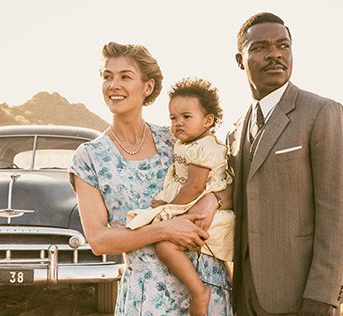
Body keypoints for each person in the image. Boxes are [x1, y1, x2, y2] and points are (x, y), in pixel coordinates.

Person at [69, 42, 232, 315]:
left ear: (148, 87)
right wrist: (165, 230)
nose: (113, 85)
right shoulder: (89, 157)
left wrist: (212, 201)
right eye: (107, 76)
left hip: (206, 288)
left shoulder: (178, 141)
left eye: (125, 76)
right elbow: (99, 240)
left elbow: (229, 186)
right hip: (146, 296)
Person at [226, 12, 343, 315]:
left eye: (283, 46)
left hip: (303, 297)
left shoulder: (322, 113)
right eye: (260, 47)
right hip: (246, 295)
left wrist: (321, 296)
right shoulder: (236, 128)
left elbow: (338, 214)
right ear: (239, 59)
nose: (274, 54)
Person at [125, 77, 234, 316]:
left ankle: (199, 292)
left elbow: (195, 187)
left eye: (186, 117)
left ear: (208, 120)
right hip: (193, 206)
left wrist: (168, 208)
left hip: (206, 212)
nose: (178, 123)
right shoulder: (187, 145)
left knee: (164, 245)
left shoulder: (205, 147)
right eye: (173, 118)